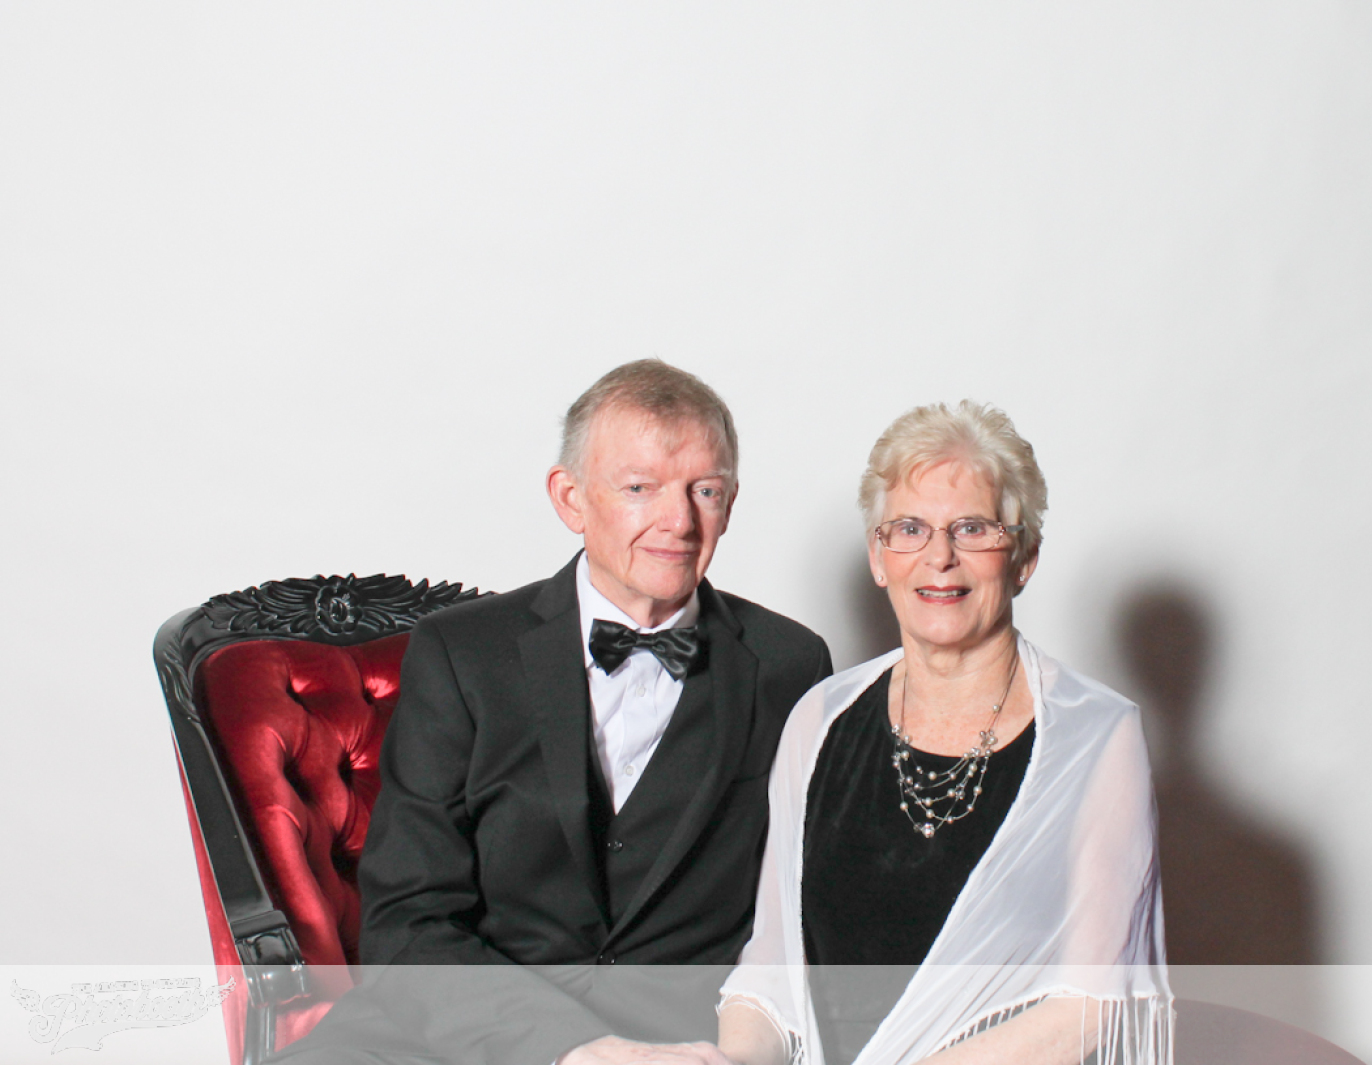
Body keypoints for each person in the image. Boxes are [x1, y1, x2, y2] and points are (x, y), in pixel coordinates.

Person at [276, 360, 832, 1065]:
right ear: (570, 499)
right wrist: (571, 1047)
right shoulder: (461, 652)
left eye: (706, 490)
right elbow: (407, 917)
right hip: (466, 1023)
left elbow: (806, 911)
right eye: (640, 488)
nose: (679, 521)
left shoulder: (789, 664)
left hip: (684, 1038)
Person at [716, 401, 1171, 1065]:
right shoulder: (819, 719)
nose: (939, 557)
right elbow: (769, 976)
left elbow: (1089, 1009)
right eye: (910, 529)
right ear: (879, 557)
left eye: (972, 528)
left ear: (1024, 557)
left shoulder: (1097, 735)